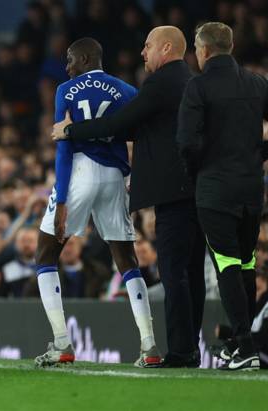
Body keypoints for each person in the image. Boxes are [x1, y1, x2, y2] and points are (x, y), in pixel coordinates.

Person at [52, 26, 205, 368]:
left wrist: (70, 130)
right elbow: (134, 126)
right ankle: (188, 347)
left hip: (171, 191)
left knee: (174, 270)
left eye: (148, 45)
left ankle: (179, 351)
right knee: (191, 270)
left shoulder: (162, 82)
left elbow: (118, 123)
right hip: (196, 188)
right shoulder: (191, 82)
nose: (142, 52)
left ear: (166, 48)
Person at [35, 37, 161, 368]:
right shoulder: (127, 90)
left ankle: (62, 342)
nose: (67, 66)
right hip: (116, 176)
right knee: (125, 257)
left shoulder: (66, 89)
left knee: (45, 252)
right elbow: (139, 133)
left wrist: (61, 199)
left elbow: (64, 145)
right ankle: (149, 345)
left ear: (87, 58)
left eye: (71, 59)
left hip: (80, 171)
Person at [177, 22, 268, 370]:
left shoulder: (198, 87)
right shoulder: (256, 82)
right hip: (251, 188)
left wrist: (198, 169)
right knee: (246, 263)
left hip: (215, 188)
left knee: (226, 263)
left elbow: (185, 142)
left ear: (205, 50)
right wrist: (260, 154)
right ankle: (243, 344)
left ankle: (244, 344)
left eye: (197, 49)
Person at [214, 271, 268, 370]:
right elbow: (253, 334)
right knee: (245, 351)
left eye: (258, 289)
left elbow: (261, 338)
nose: (257, 295)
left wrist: (231, 340)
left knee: (247, 353)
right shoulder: (263, 307)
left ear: (267, 283)